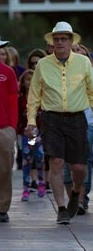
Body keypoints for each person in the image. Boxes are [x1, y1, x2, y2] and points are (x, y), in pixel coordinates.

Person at [26, 22, 93, 225]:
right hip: (52, 118)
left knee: (78, 166)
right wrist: (31, 121)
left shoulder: (83, 62)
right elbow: (34, 96)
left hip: (77, 117)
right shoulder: (43, 64)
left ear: (71, 42)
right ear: (52, 42)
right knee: (56, 162)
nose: (59, 42)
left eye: (64, 39)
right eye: (56, 39)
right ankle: (61, 207)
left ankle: (76, 192)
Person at [18, 70, 46, 202]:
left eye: (32, 79)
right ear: (23, 82)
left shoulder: (41, 98)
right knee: (26, 160)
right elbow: (18, 117)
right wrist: (20, 130)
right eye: (27, 80)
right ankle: (26, 187)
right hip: (25, 134)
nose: (29, 82)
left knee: (39, 158)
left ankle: (41, 182)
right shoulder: (21, 99)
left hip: (38, 133)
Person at [0, 36, 18, 223]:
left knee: (5, 168)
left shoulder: (8, 73)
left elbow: (13, 101)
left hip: (4, 128)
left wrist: (12, 127)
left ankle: (2, 206)